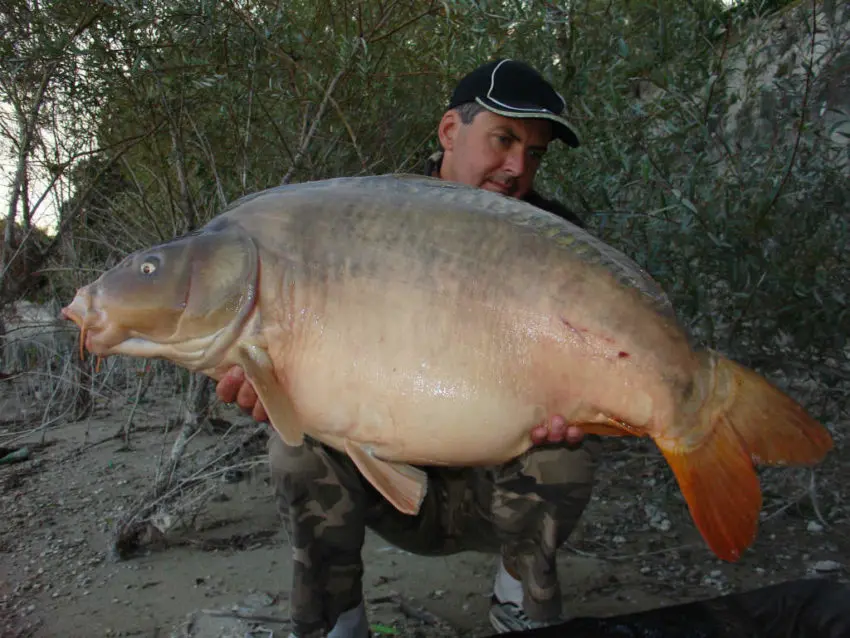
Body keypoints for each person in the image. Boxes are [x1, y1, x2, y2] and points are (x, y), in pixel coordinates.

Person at [216, 59, 602, 637]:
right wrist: (276, 387)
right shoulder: (372, 219)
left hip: (491, 485)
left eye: (535, 152)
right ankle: (336, 620)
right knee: (295, 449)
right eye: (504, 140)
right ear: (450, 132)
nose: (518, 167)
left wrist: (583, 410)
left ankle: (519, 597)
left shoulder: (557, 240)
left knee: (565, 455)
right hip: (386, 479)